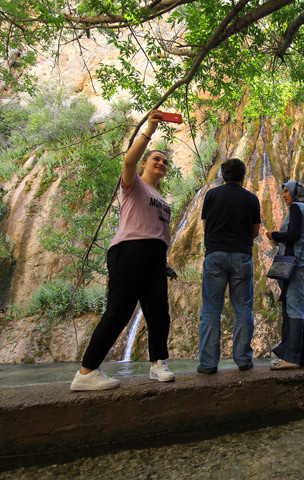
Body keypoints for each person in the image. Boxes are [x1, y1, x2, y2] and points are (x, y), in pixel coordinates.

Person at [71, 110, 175, 391]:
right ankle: (86, 372)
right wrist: (149, 130)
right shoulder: (133, 185)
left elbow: (159, 232)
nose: (161, 163)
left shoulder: (162, 198)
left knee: (159, 312)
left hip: (154, 257)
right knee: (119, 311)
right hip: (128, 251)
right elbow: (128, 160)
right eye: (156, 159)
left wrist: (162, 261)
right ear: (144, 163)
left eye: (165, 162)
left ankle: (158, 364)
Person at [198, 158, 261, 374]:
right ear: (243, 177)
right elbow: (255, 232)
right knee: (243, 309)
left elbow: (205, 226)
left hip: (215, 255)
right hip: (241, 257)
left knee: (211, 309)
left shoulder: (211, 195)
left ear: (223, 176)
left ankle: (207, 364)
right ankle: (243, 360)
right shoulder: (252, 199)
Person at [267, 181, 304, 369]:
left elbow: (294, 234)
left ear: (296, 192)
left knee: (294, 307)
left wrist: (275, 236)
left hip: (295, 264)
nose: (284, 194)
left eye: (287, 191)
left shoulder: (296, 207)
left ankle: (292, 358)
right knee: (303, 307)